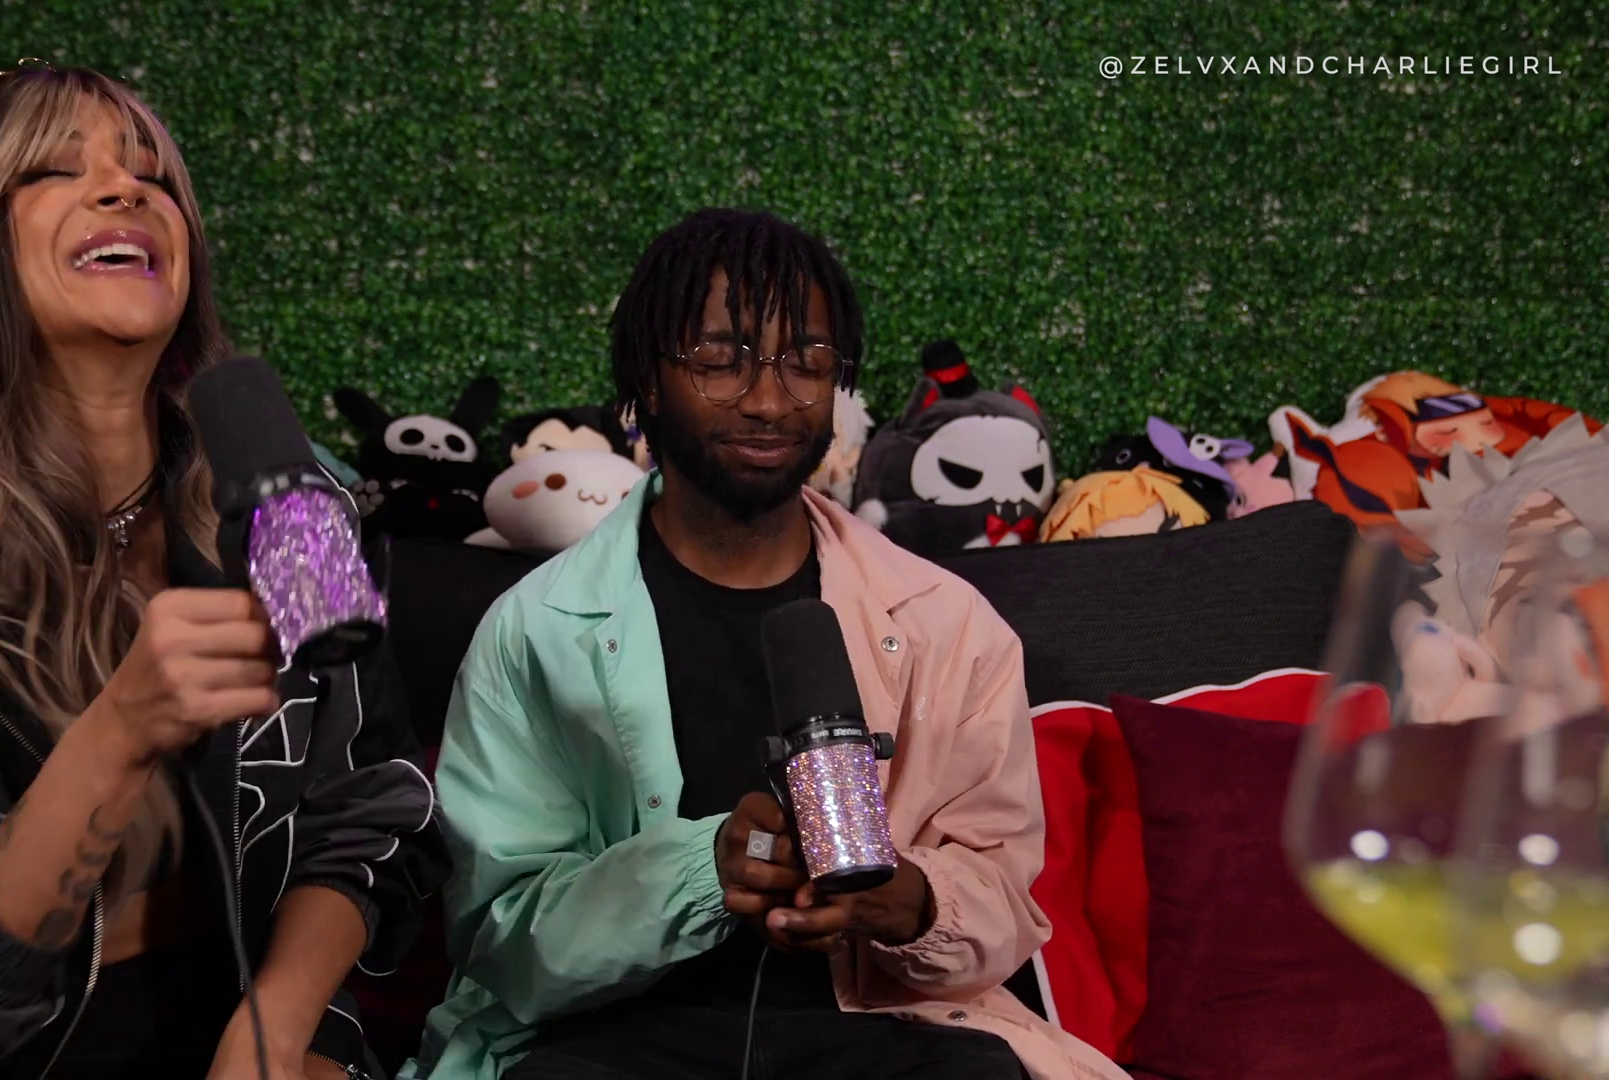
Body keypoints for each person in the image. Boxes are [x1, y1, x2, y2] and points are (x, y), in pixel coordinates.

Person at [0, 66, 446, 1080]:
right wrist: (122, 729)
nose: (125, 188)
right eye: (54, 170)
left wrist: (276, 1027)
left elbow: (368, 809)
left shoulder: (290, 509)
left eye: (154, 177)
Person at [407, 209, 1128, 1080]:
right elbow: (499, 937)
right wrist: (702, 871)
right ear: (646, 378)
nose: (769, 400)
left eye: (807, 362)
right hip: (611, 1039)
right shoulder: (536, 629)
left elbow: (1003, 901)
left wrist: (908, 900)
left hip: (883, 1033)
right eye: (720, 360)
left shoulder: (947, 621)